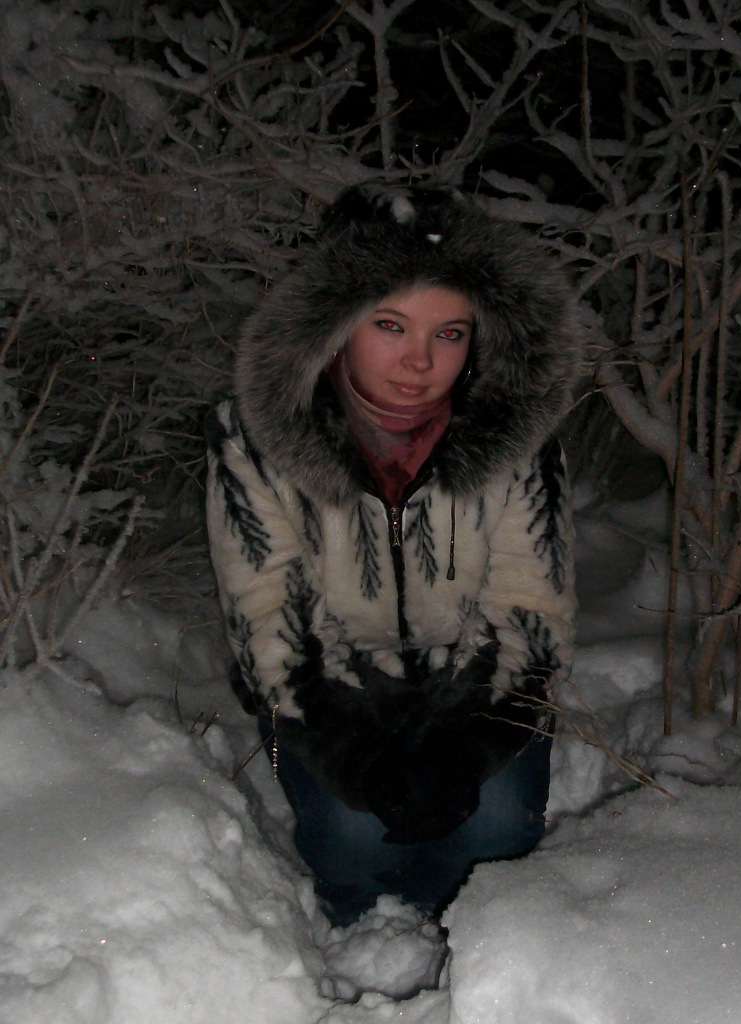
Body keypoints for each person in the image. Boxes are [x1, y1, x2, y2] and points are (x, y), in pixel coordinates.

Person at [205, 182, 580, 926]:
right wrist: (357, 754)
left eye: (450, 332)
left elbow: (530, 605)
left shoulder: (511, 431)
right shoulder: (257, 434)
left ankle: (470, 939)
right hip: (325, 688)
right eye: (389, 325)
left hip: (478, 680)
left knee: (496, 829)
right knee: (350, 838)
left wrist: (467, 745)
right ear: (334, 324)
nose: (420, 361)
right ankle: (359, 926)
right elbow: (266, 608)